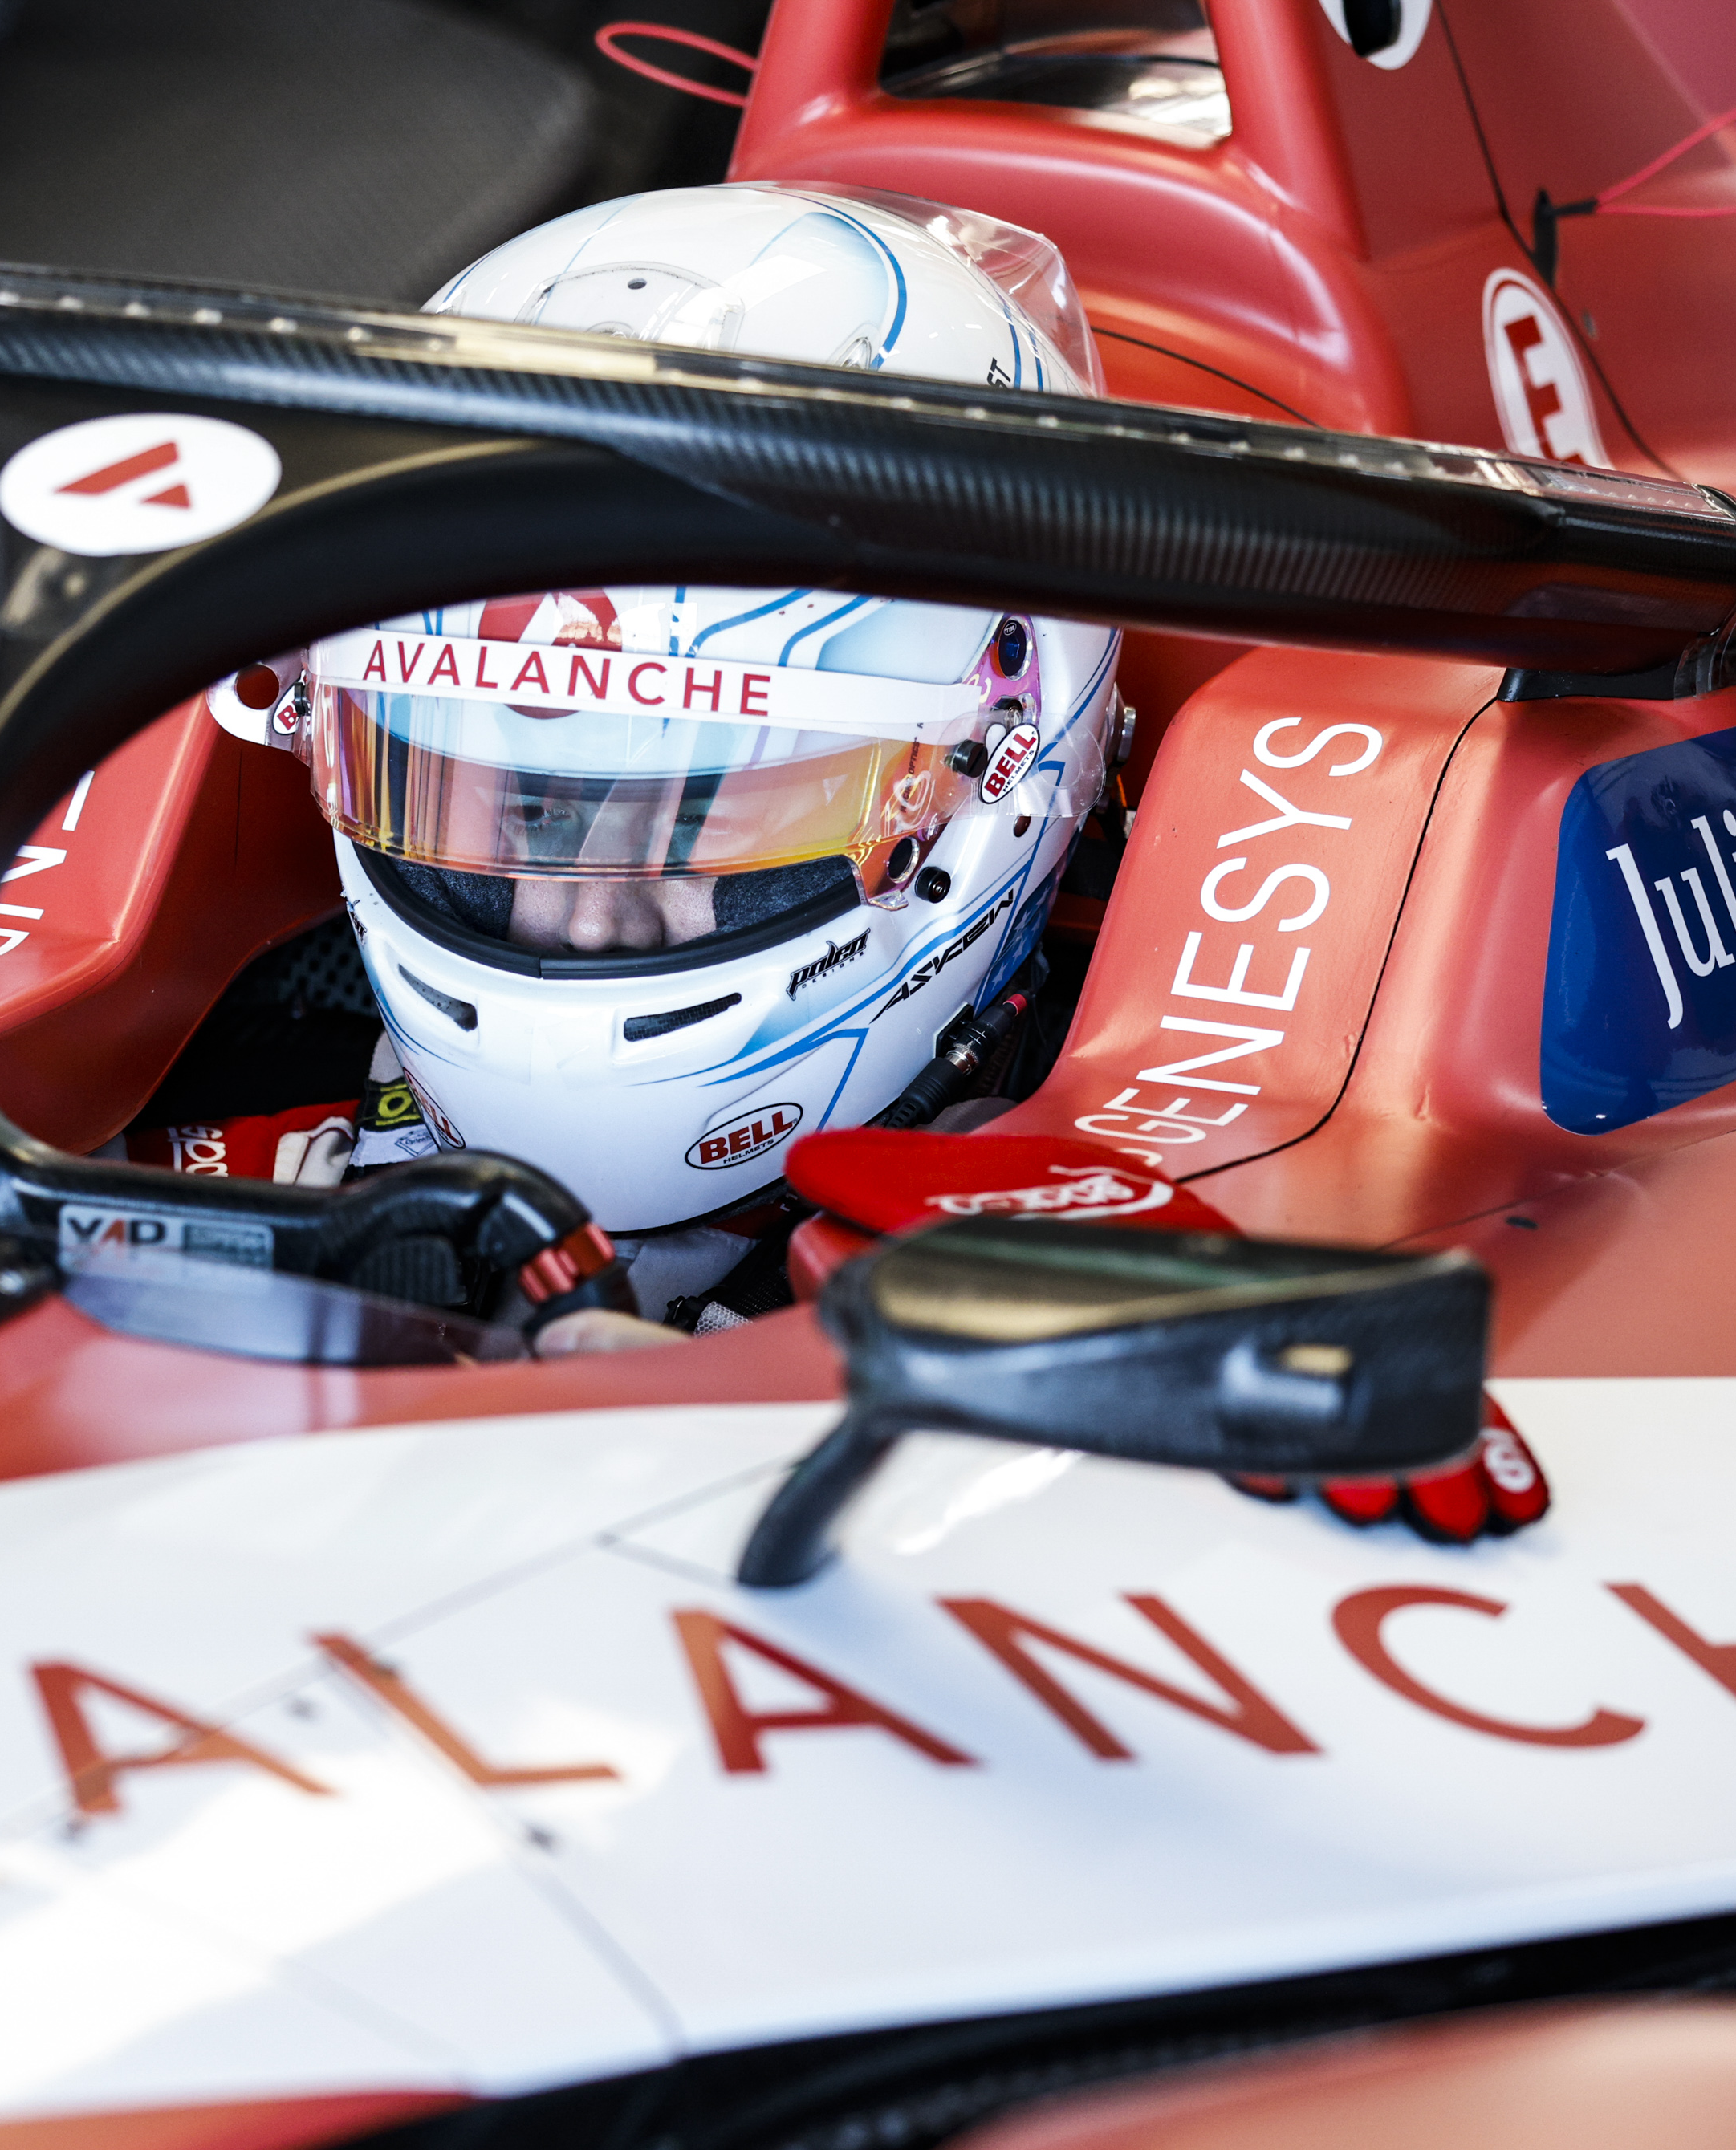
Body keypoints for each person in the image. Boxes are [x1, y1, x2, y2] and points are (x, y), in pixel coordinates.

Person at [182, 181, 1127, 1339]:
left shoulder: (1157, 1249)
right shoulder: (226, 1144)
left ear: (1001, 765)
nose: (582, 927)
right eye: (515, 817)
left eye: (705, 825)